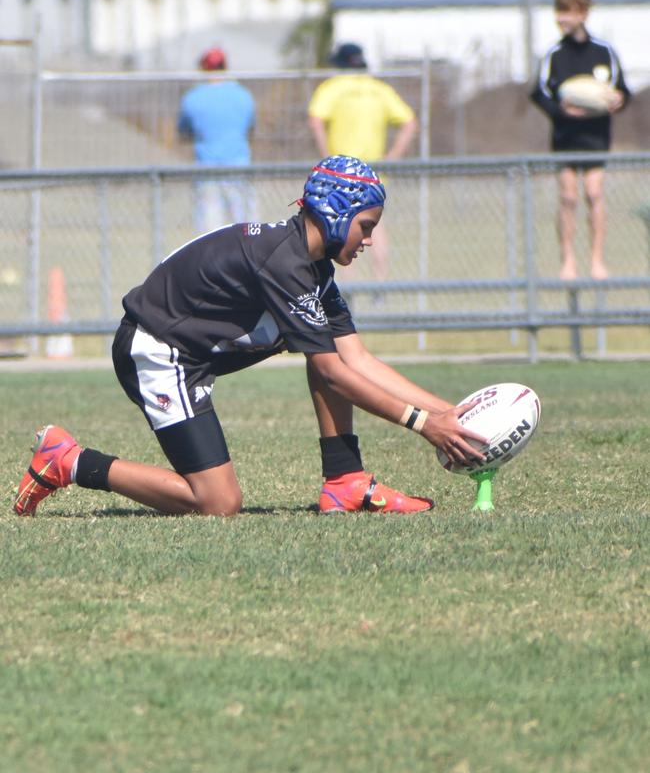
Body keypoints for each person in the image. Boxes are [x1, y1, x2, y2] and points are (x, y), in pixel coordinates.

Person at [13, 155, 487, 520]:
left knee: (327, 355)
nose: (367, 240)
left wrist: (449, 416)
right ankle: (71, 460)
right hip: (157, 350)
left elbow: (355, 359)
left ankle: (345, 480)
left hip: (188, 353)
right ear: (337, 214)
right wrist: (425, 425)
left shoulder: (314, 271)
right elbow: (333, 372)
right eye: (366, 226)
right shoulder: (284, 263)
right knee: (218, 504)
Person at [530, 0, 631, 280]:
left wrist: (617, 102)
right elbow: (537, 93)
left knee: (594, 192)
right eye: (558, 11)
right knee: (568, 197)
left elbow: (622, 91)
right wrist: (560, 111)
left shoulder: (604, 52)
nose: (561, 18)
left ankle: (597, 261)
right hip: (565, 136)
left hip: (596, 134)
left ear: (582, 13)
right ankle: (568, 262)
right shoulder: (554, 54)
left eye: (566, 11)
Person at [307, 44, 418, 282]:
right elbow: (409, 122)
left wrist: (327, 157)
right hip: (373, 173)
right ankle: (380, 284)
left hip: (341, 172)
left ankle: (348, 287)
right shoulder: (378, 89)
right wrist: (392, 157)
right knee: (375, 226)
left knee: (342, 228)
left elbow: (315, 119)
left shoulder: (333, 87)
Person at [177, 46, 256, 234]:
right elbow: (250, 128)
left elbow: (183, 131)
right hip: (238, 165)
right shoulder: (243, 95)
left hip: (207, 168)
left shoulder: (192, 98)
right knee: (245, 225)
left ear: (204, 68)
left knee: (209, 227)